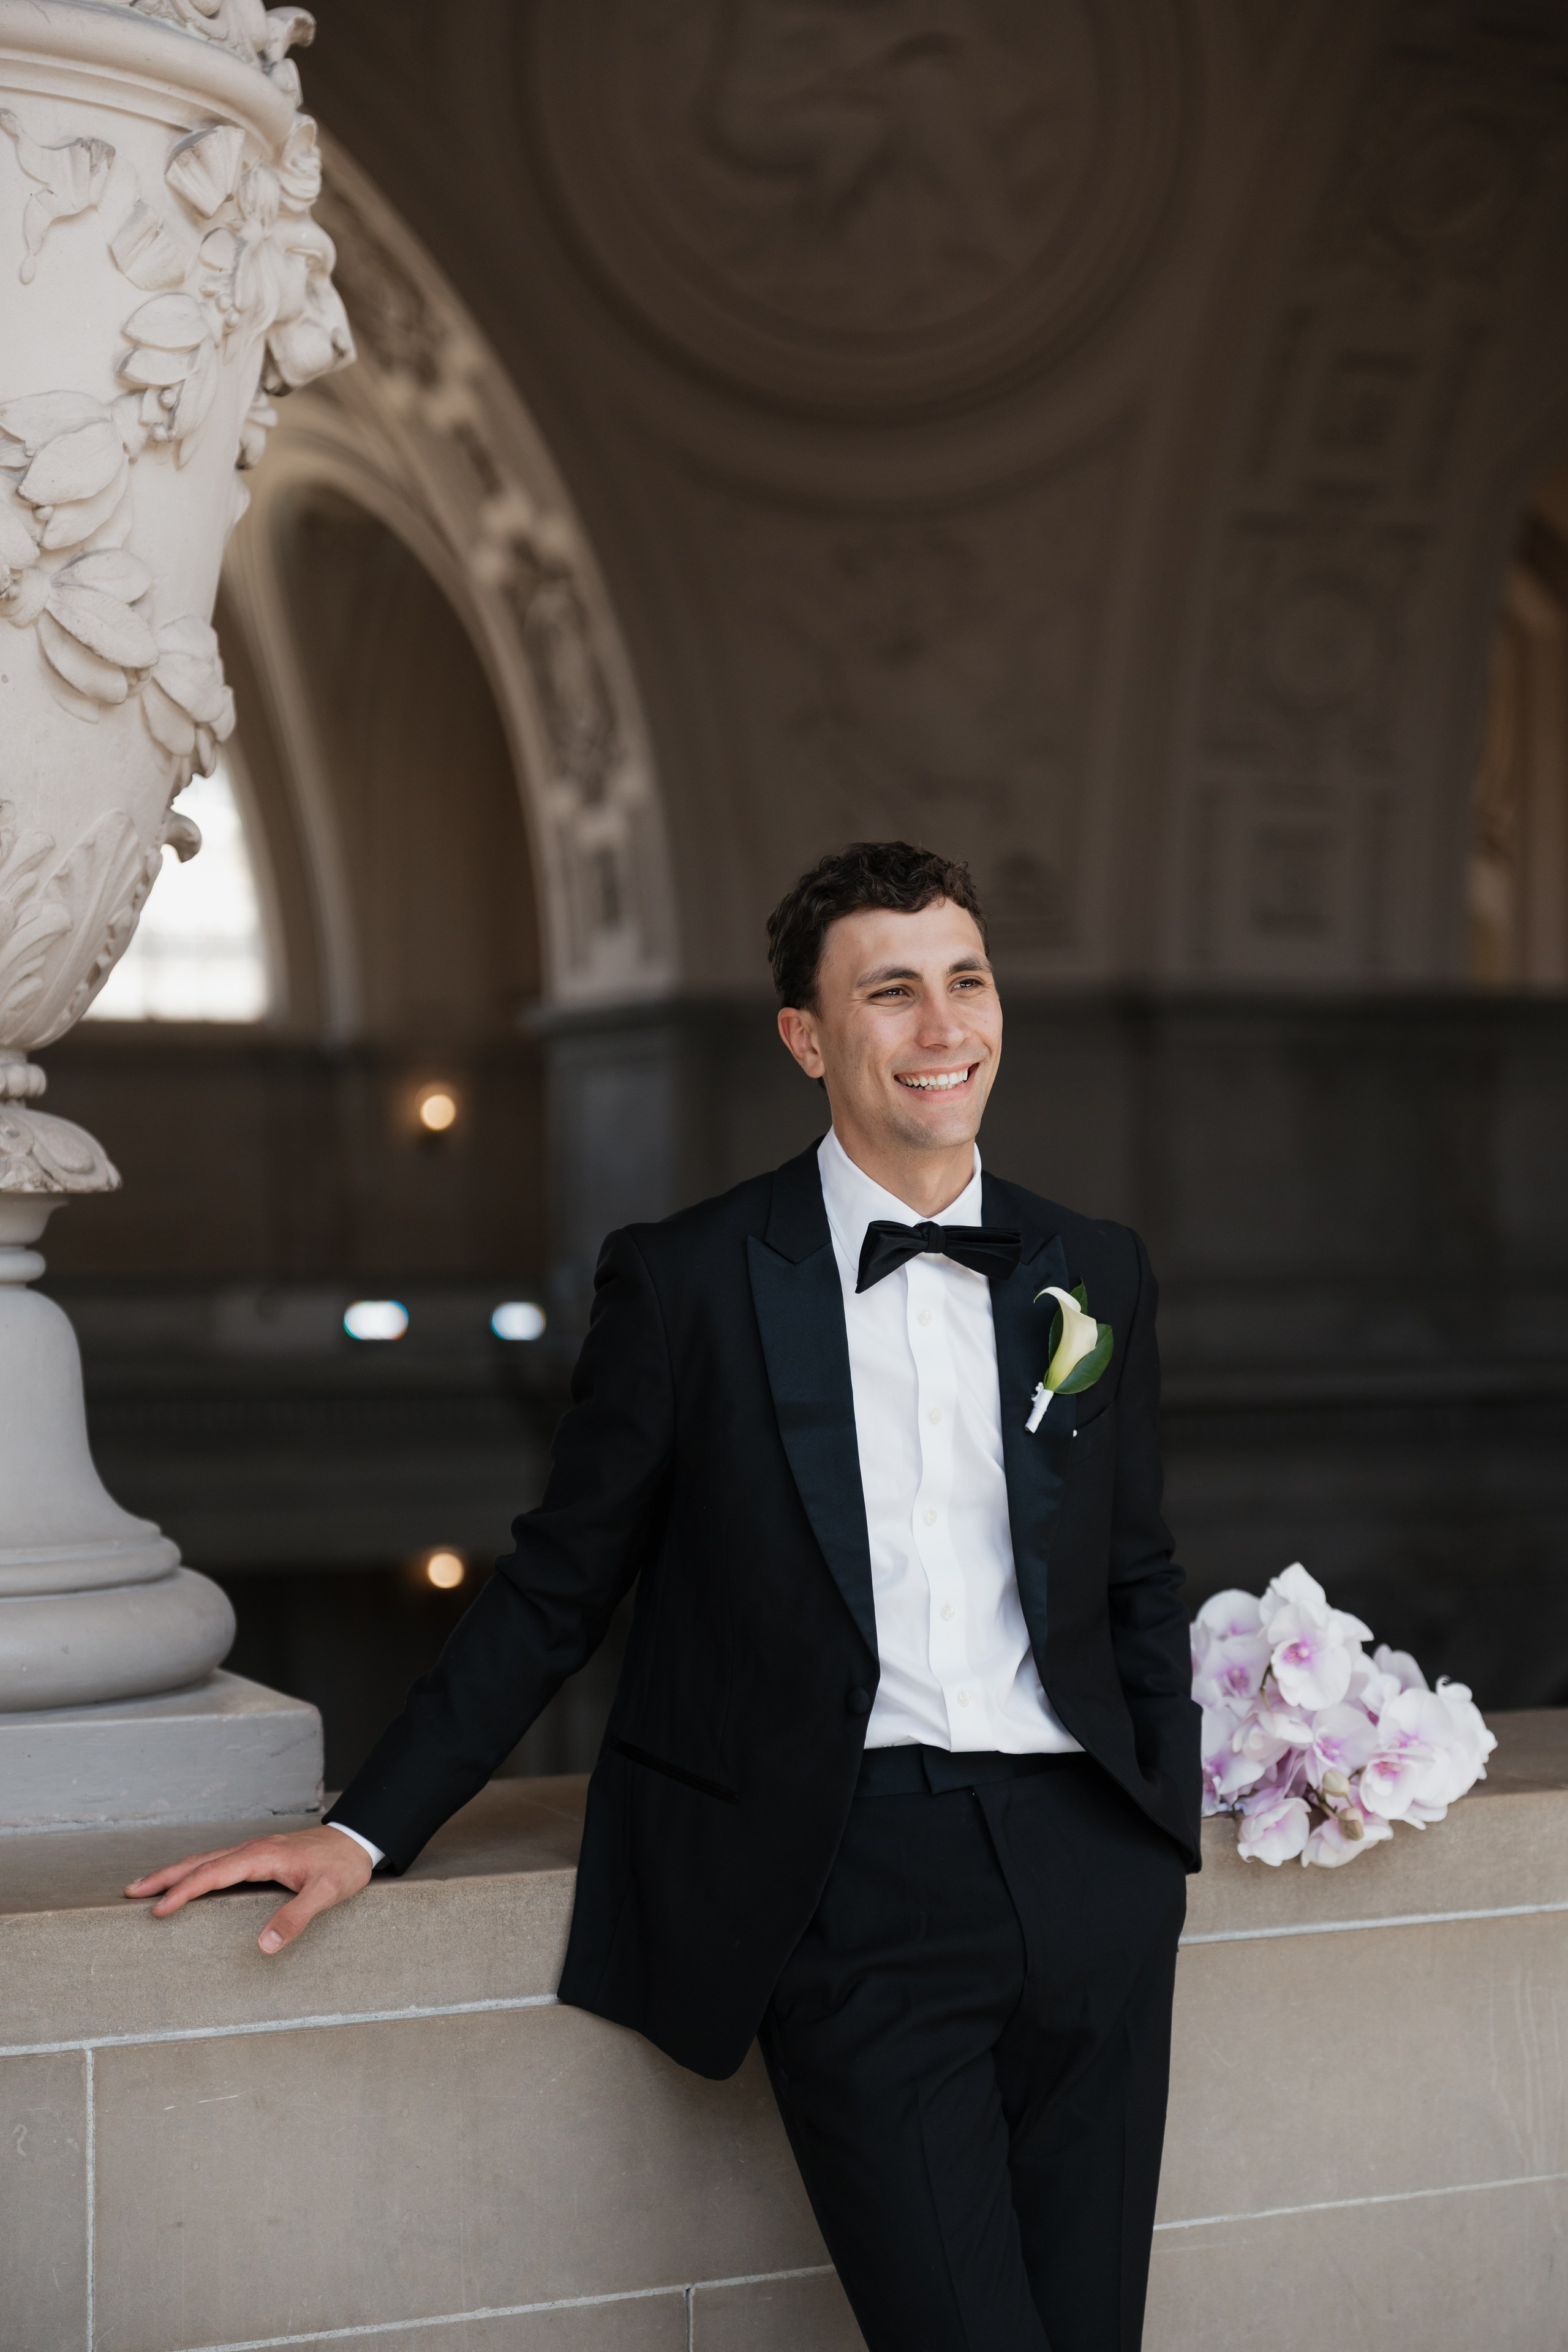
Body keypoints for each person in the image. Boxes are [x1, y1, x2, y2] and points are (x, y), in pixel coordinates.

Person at [128, 840, 1200, 2352]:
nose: (942, 1026)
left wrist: (1158, 1826)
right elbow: (560, 1583)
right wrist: (366, 1826)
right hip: (852, 1880)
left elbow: (1133, 1567)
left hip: (1088, 1871)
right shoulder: (690, 1280)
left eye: (964, 981)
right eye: (888, 992)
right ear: (806, 1038)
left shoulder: (1090, 1268)